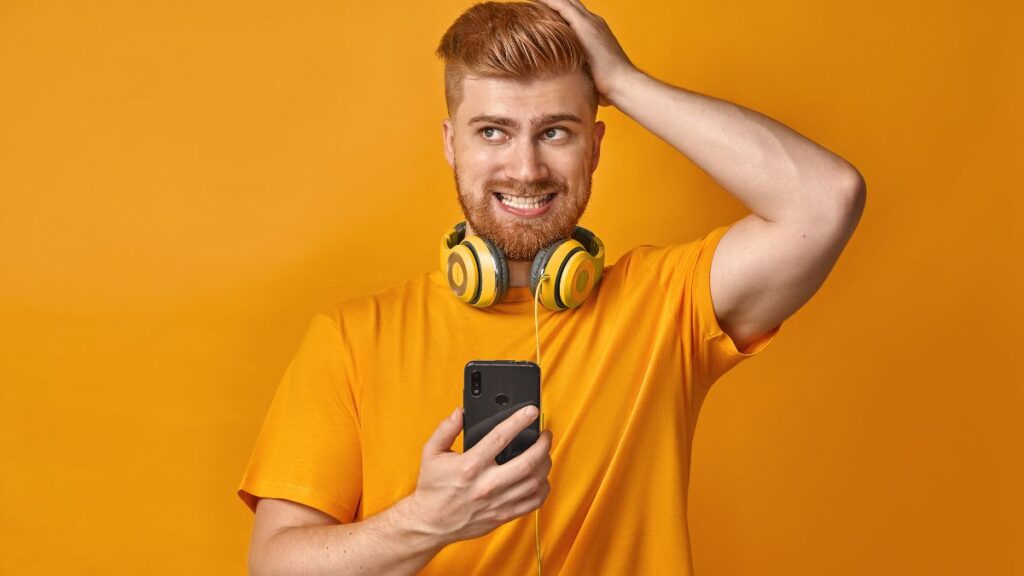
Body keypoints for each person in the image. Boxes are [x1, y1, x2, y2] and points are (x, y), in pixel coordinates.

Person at [237, 0, 866, 574]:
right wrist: (427, 520)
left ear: (594, 147)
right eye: (493, 132)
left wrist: (624, 81)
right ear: (451, 146)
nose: (526, 168)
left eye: (555, 131)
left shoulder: (664, 304)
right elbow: (275, 567)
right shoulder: (351, 338)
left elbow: (825, 199)